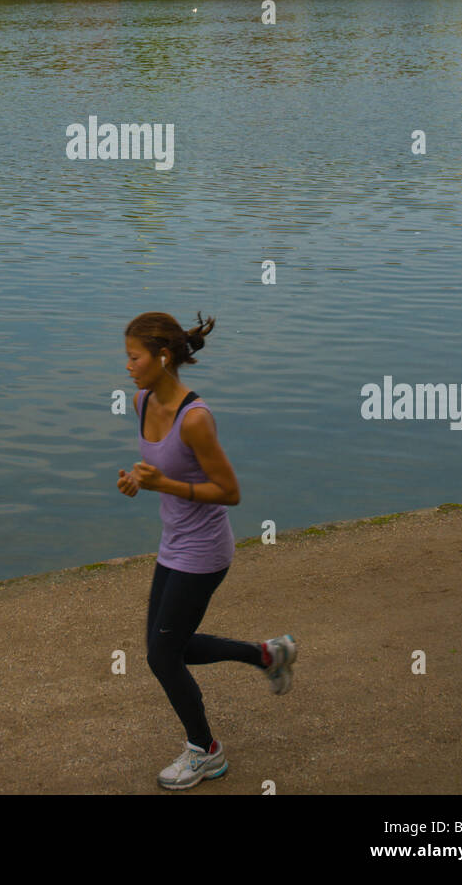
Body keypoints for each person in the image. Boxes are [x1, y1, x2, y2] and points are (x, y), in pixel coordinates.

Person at [119, 311, 297, 790]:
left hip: (204, 551)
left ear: (161, 356)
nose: (128, 366)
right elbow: (161, 468)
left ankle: (206, 751)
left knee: (162, 655)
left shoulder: (195, 418)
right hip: (172, 544)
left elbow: (230, 491)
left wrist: (167, 485)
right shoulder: (140, 401)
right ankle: (268, 655)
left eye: (134, 357)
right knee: (165, 648)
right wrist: (140, 480)